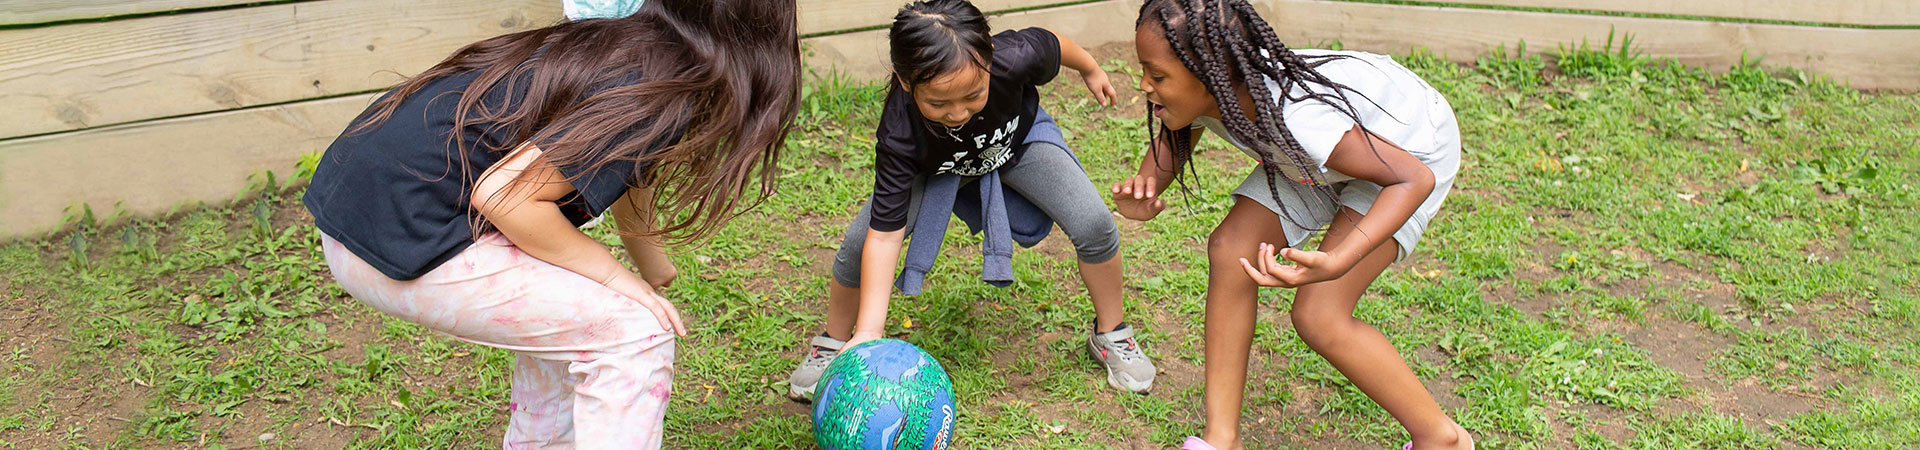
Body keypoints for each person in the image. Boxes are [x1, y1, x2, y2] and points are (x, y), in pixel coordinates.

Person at [302, 1, 800, 448]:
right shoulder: (660, 85)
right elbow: (505, 195)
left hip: (361, 211)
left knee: (579, 316)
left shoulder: (634, 49)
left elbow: (631, 167)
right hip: (404, 236)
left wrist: (649, 261)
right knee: (633, 333)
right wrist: (612, 274)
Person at [1118, 0, 1472, 448]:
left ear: (1212, 76)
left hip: (1407, 149)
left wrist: (1338, 259)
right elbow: (1185, 125)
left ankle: (1442, 438)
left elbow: (1411, 178)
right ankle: (1221, 438)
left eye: (1158, 76)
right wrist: (1149, 184)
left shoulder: (1300, 117)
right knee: (1232, 250)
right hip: (1322, 154)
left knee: (1319, 314)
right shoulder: (1221, 87)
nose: (1144, 85)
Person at [785, 0, 1159, 401]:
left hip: (1014, 144)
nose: (958, 113)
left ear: (990, 60)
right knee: (860, 245)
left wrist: (1090, 68)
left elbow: (1056, 45)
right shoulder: (900, 132)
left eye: (972, 95)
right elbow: (886, 235)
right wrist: (870, 334)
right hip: (935, 170)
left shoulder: (1014, 55)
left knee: (1094, 224)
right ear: (906, 82)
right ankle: (836, 343)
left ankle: (1112, 333)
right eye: (939, 104)